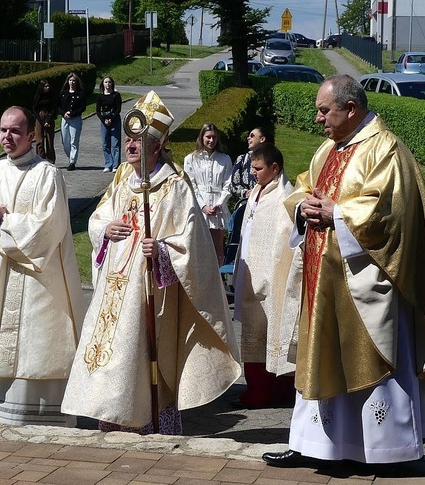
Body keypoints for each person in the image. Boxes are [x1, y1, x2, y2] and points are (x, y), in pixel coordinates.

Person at [262, 75, 425, 467]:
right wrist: (303, 206)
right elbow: (305, 187)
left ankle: (387, 451)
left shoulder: (386, 150)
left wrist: (336, 213)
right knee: (322, 355)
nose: (318, 118)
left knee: (374, 360)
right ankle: (315, 446)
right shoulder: (327, 150)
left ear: (350, 109)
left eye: (325, 111)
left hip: (368, 284)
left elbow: (392, 214)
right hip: (324, 278)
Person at [61, 91, 242, 435]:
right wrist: (105, 227)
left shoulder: (174, 187)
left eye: (138, 140)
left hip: (152, 292)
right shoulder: (121, 181)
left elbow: (193, 244)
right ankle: (112, 415)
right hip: (116, 283)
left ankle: (148, 419)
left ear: (157, 145)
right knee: (113, 354)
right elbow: (99, 217)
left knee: (141, 355)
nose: (129, 145)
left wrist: (161, 251)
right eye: (127, 139)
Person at [0, 106, 85, 427]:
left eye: (15, 131)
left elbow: (50, 227)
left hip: (37, 286)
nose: (7, 137)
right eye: (3, 130)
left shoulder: (48, 175)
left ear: (32, 135)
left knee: (36, 350)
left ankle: (40, 419)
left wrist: (6, 221)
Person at [232, 143, 298, 408]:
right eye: (252, 167)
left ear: (274, 168)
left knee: (272, 332)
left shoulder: (285, 197)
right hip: (249, 273)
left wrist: (273, 276)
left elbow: (284, 242)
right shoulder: (256, 193)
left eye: (258, 168)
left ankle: (276, 390)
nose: (253, 173)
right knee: (253, 330)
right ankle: (257, 388)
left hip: (272, 279)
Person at [183, 123, 233, 266]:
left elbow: (228, 184)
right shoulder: (191, 159)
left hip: (218, 206)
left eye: (214, 137)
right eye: (208, 137)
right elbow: (191, 185)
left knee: (218, 248)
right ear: (202, 137)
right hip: (199, 205)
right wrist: (203, 206)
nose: (211, 140)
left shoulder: (224, 159)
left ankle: (218, 281)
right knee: (198, 247)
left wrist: (219, 204)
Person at [230, 126, 273, 200]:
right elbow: (234, 185)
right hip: (245, 204)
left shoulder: (272, 159)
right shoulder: (242, 159)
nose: (248, 138)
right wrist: (246, 193)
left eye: (252, 136)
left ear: (262, 139)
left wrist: (259, 193)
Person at [59, 72, 86, 171]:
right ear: (68, 81)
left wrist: (73, 113)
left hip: (75, 119)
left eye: (74, 80)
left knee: (73, 141)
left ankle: (72, 161)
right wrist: (63, 114)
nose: (72, 82)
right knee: (65, 141)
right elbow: (59, 106)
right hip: (65, 119)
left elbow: (83, 107)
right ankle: (70, 155)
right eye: (70, 80)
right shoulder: (63, 93)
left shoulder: (80, 94)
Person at [96, 76, 122, 173]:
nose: (108, 84)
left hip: (114, 121)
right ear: (103, 84)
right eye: (106, 82)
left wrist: (111, 118)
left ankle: (116, 165)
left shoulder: (116, 95)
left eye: (109, 82)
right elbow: (98, 111)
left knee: (115, 144)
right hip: (104, 122)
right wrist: (104, 120)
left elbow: (118, 109)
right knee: (105, 144)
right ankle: (108, 163)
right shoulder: (100, 97)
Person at [32, 79, 57, 162]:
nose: (47, 88)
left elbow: (54, 108)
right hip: (40, 116)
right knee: (39, 140)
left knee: (49, 140)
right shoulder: (38, 96)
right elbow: (34, 109)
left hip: (49, 116)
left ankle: (50, 160)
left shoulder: (51, 96)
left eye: (48, 86)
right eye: (45, 86)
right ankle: (40, 159)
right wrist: (41, 121)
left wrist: (48, 120)